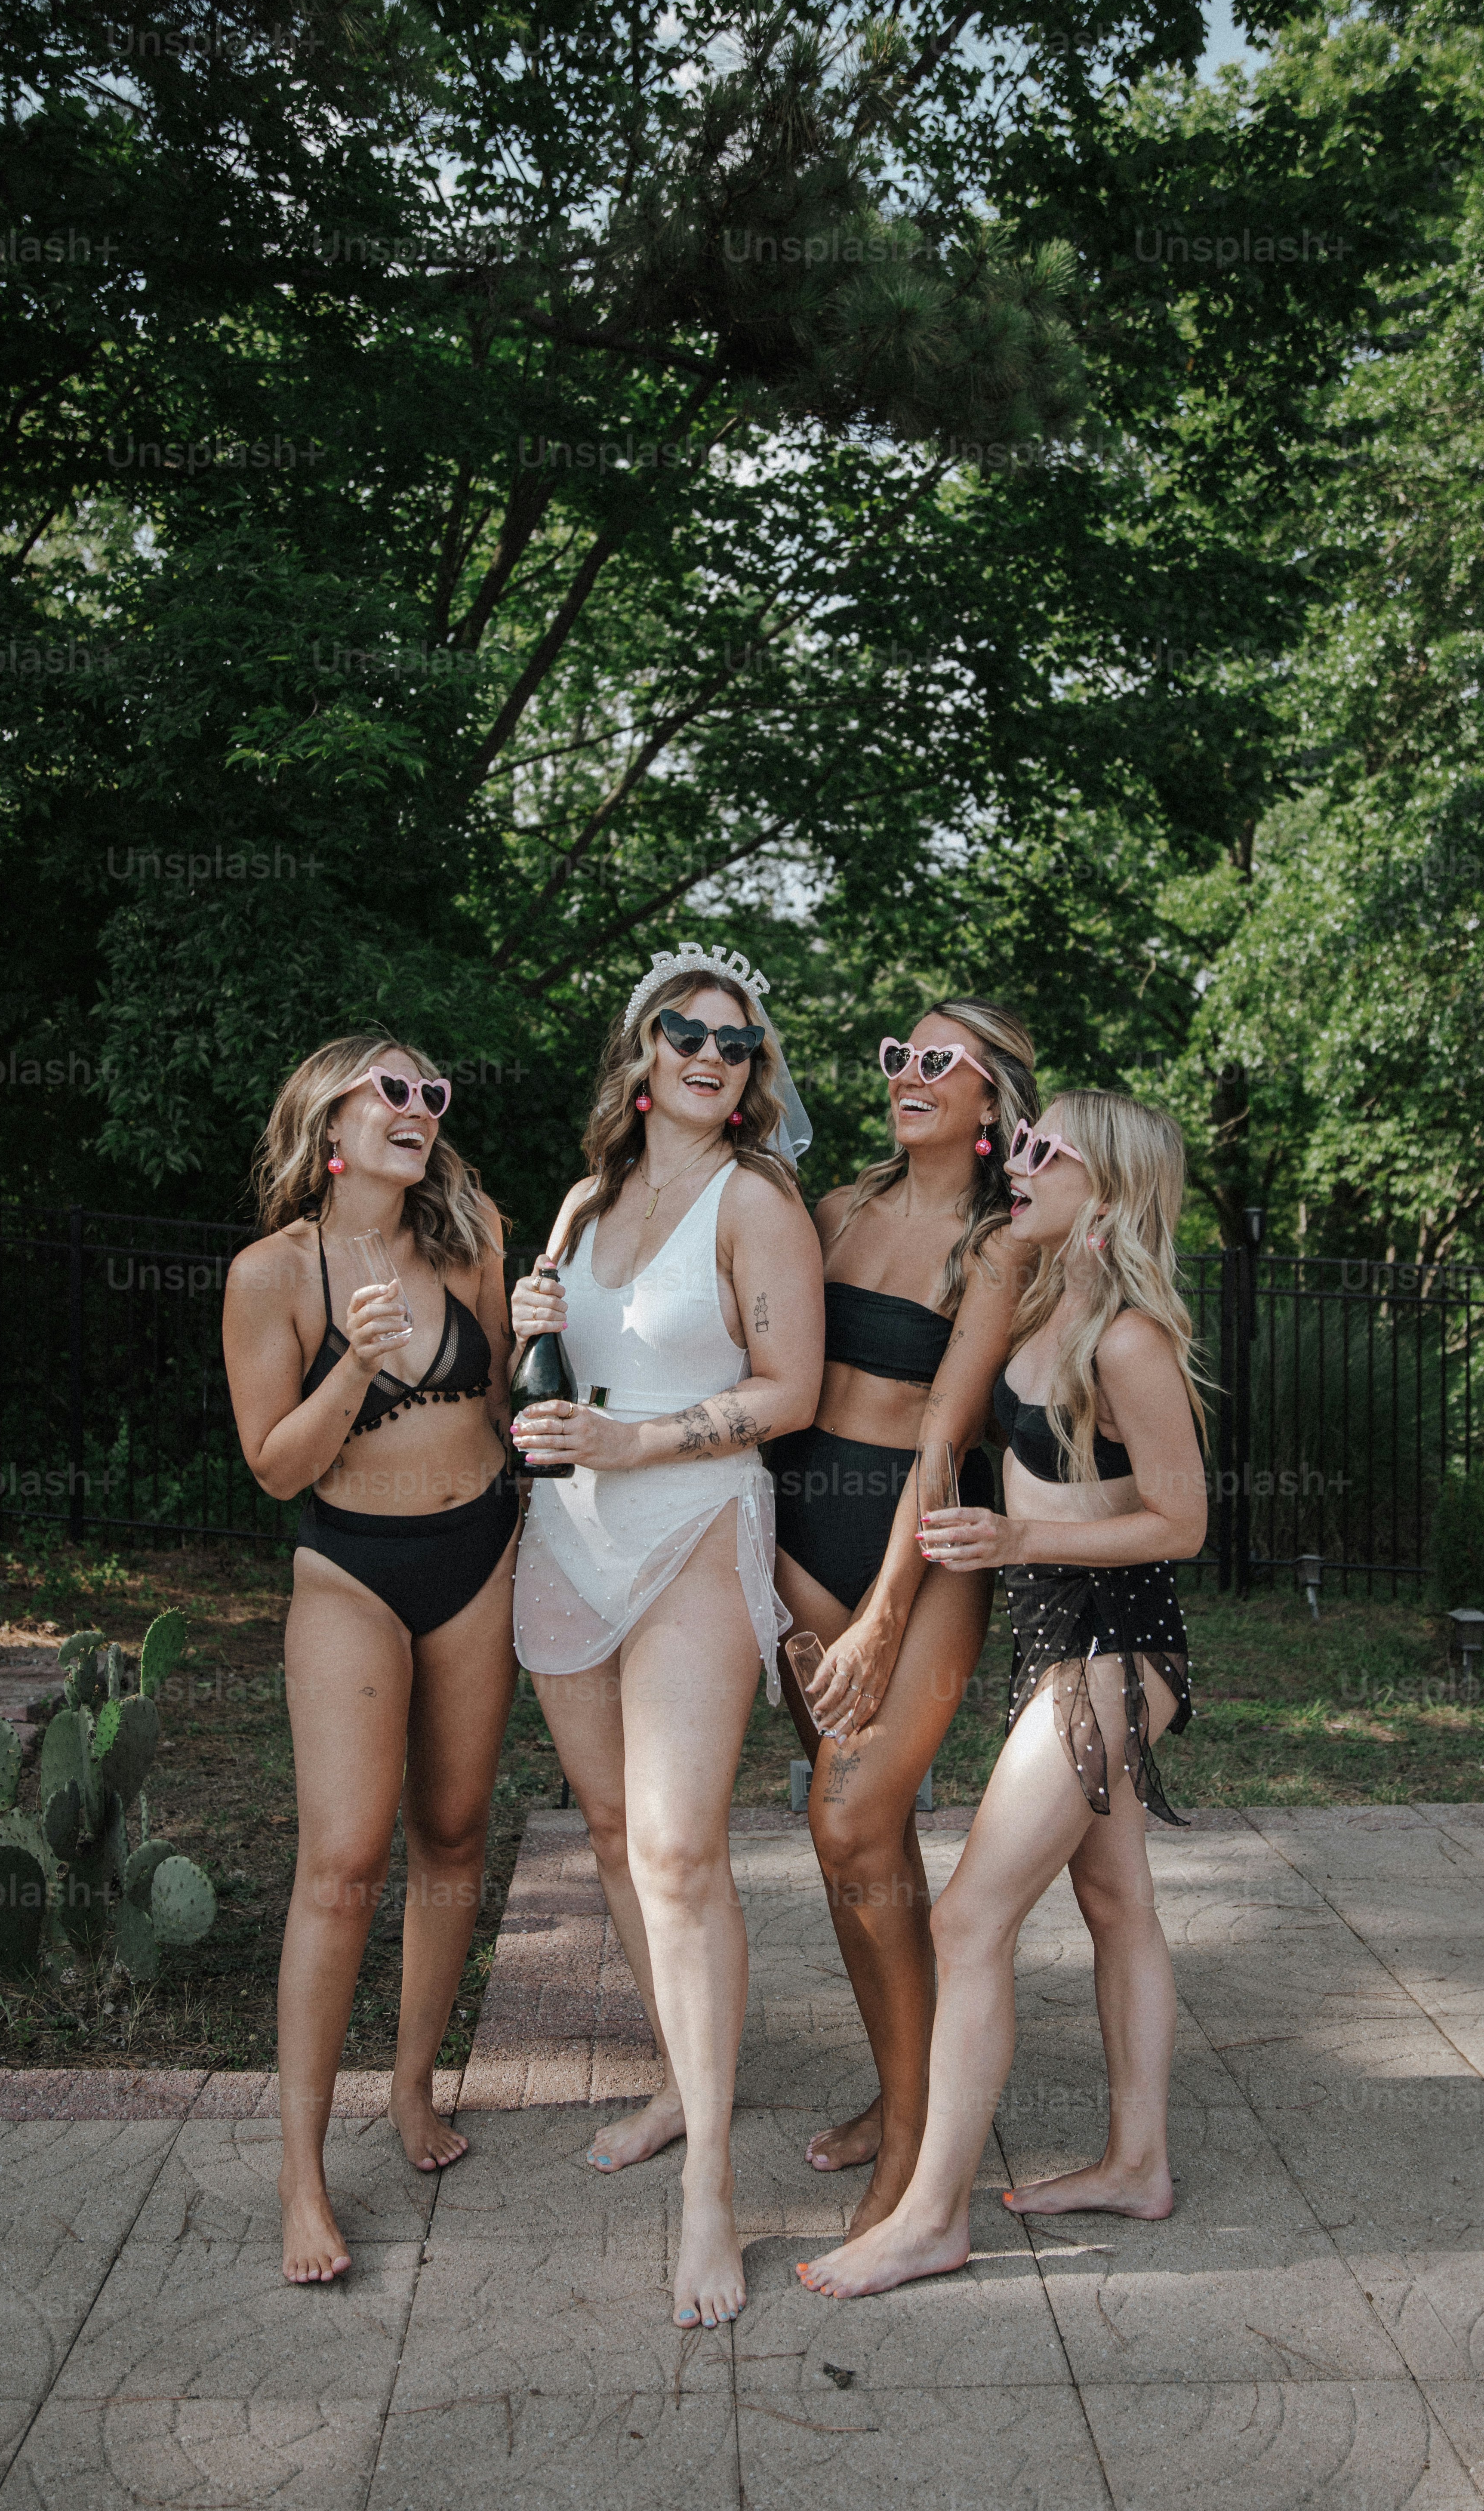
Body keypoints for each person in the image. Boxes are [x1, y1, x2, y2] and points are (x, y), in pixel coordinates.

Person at [796, 1089, 1209, 2301]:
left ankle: (932, 2217)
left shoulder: (1125, 1339)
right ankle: (1137, 2162)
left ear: (1112, 1189)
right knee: (1117, 1896)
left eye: (1046, 1153)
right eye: (1019, 1144)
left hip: (1113, 1653)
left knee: (969, 1919)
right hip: (1062, 1645)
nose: (1016, 1160)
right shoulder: (1043, 1304)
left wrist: (1016, 1547)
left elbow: (1179, 1525)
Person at [508, 943, 823, 2330]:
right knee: (606, 1836)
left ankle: (713, 2195)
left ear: (754, 1078)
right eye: (685, 1032)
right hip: (568, 1538)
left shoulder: (757, 1203)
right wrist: (535, 1318)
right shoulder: (588, 1197)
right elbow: (565, 1367)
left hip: (693, 1524)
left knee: (681, 1850)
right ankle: (676, 2081)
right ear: (641, 1055)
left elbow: (792, 1389)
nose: (711, 1053)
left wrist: (638, 1438)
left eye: (737, 1043)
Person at [224, 1035, 517, 2286]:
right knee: (341, 1864)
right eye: (392, 1088)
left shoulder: (472, 1239)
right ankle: (302, 2179)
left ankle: (410, 2089)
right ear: (327, 1119)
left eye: (432, 1093)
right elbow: (276, 1468)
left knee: (453, 1833)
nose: (419, 1108)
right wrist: (353, 1358)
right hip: (348, 1568)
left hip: (482, 1552)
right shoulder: (271, 1272)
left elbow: (510, 1400)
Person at [765, 1000, 1038, 2238]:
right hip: (794, 1530)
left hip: (919, 1543)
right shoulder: (831, 1212)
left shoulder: (999, 1246)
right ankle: (900, 2085)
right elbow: (767, 1389)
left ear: (992, 1102)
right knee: (862, 1846)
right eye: (899, 1057)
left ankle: (923, 2143)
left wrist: (880, 1617)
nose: (908, 1076)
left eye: (941, 1063)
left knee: (847, 1812)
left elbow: (945, 1432)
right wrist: (766, 1572)